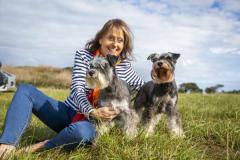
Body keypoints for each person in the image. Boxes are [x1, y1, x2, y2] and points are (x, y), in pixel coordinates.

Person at [0, 18, 144, 157]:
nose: (115, 44)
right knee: (25, 90)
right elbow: (77, 89)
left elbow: (142, 88)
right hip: (69, 112)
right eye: (111, 38)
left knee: (81, 133)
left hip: (91, 125)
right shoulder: (84, 56)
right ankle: (7, 145)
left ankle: (41, 146)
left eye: (120, 40)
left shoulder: (124, 66)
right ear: (100, 39)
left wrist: (127, 106)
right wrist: (92, 111)